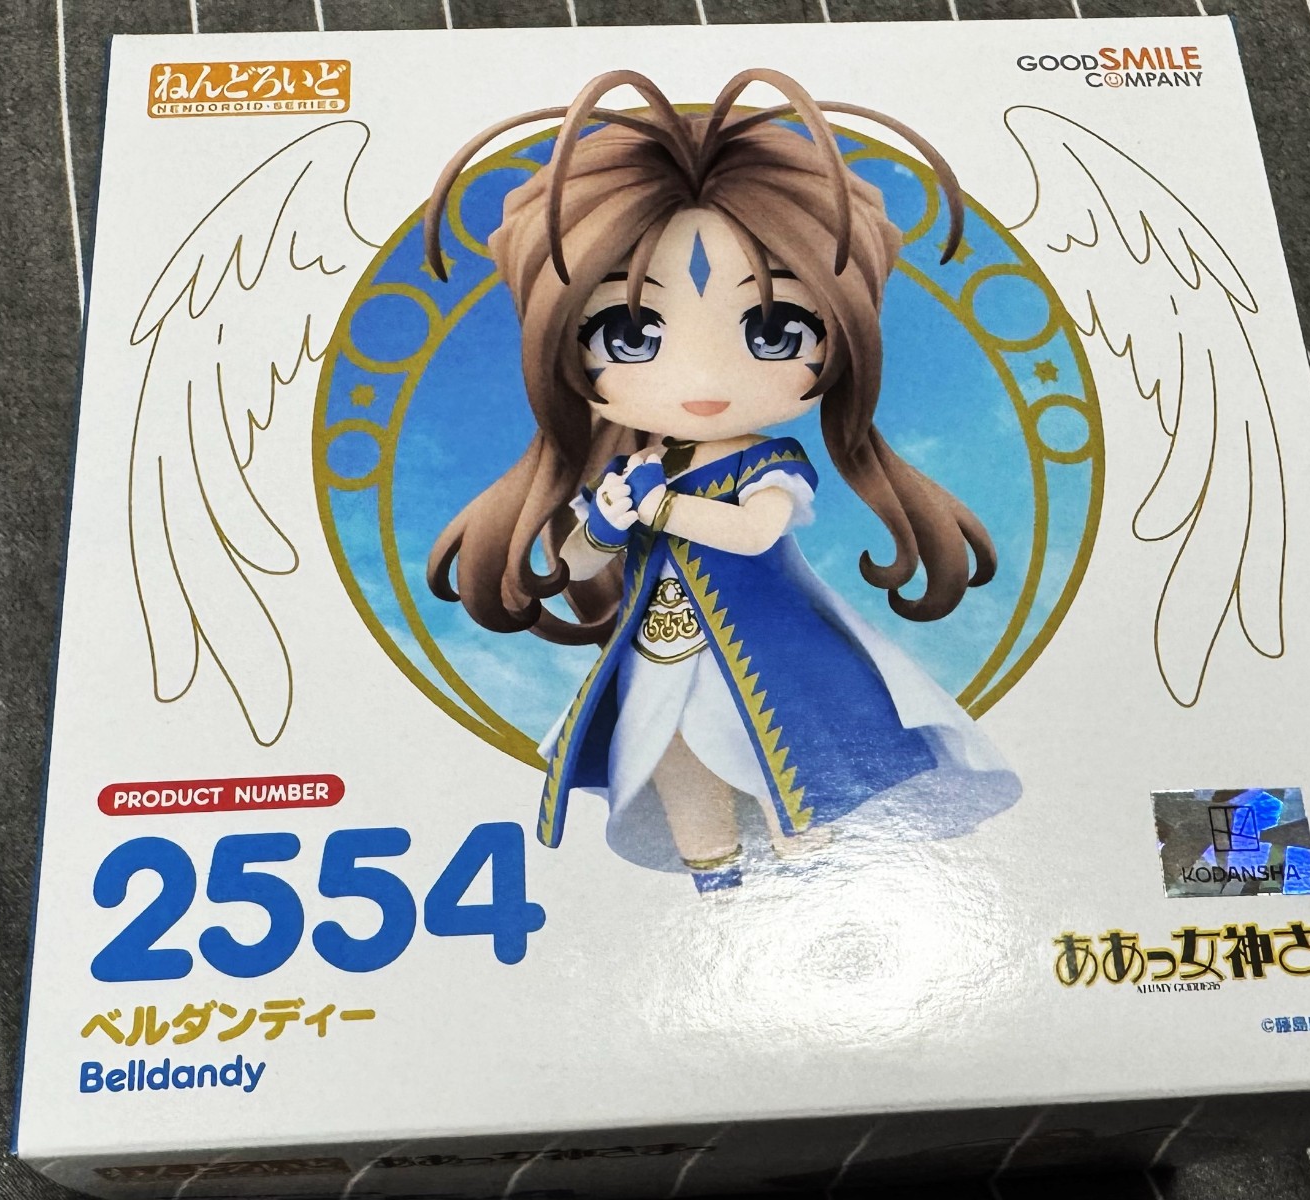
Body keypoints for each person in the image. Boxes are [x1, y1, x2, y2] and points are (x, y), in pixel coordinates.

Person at [425, 68, 1020, 892]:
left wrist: (657, 507)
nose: (702, 378)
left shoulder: (766, 463)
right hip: (657, 664)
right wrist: (604, 522)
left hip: (773, 667)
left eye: (775, 330)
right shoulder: (633, 465)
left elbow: (754, 531)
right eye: (629, 335)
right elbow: (580, 561)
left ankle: (807, 899)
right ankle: (718, 893)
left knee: (791, 792)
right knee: (683, 790)